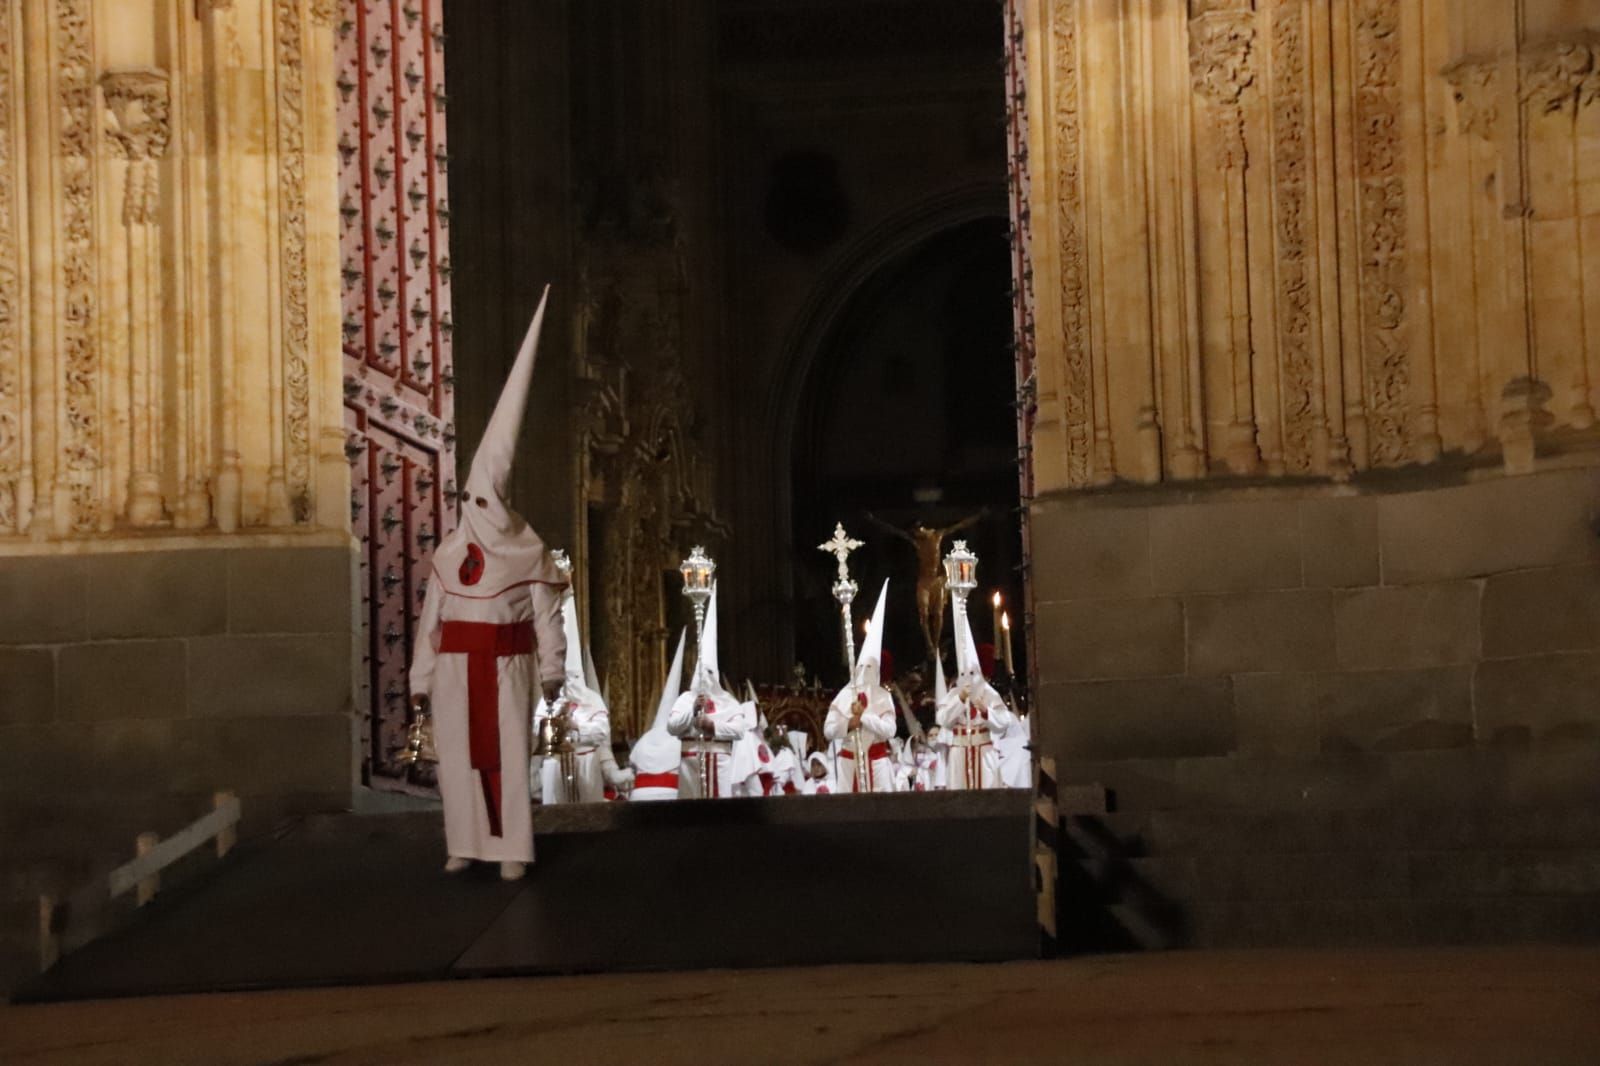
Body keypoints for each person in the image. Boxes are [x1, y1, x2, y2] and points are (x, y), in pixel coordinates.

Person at [409, 290, 565, 881]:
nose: (476, 507)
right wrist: (422, 678)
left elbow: (547, 615)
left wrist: (552, 670)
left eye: (484, 497)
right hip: (455, 665)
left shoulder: (527, 550)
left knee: (502, 755)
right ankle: (466, 843)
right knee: (457, 759)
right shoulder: (451, 554)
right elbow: (433, 620)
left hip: (506, 664)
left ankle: (511, 849)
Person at [531, 564, 633, 804]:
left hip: (586, 768)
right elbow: (537, 731)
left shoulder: (591, 699)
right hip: (554, 769)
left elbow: (600, 733)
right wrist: (556, 726)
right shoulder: (546, 701)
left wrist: (574, 726)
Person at [667, 584, 754, 797]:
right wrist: (692, 712)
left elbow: (739, 729)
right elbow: (672, 727)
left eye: (708, 674)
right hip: (690, 762)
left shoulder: (728, 701)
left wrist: (713, 726)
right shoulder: (686, 698)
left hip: (720, 760)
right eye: (700, 673)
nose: (703, 679)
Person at [934, 597, 1016, 790]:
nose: (968, 678)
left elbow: (1004, 723)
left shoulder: (989, 693)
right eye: (964, 674)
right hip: (959, 752)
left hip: (983, 751)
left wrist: (986, 711)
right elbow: (943, 719)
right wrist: (960, 700)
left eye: (971, 673)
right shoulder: (955, 693)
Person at [824, 581, 897, 793]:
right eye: (862, 666)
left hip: (876, 762)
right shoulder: (845, 694)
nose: (866, 671)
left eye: (870, 667)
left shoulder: (883, 696)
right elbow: (828, 730)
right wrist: (849, 723)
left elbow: (890, 730)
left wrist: (864, 718)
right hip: (849, 764)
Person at [629, 629, 687, 801]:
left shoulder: (644, 740)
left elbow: (633, 766)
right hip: (671, 795)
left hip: (639, 798)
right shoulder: (680, 741)